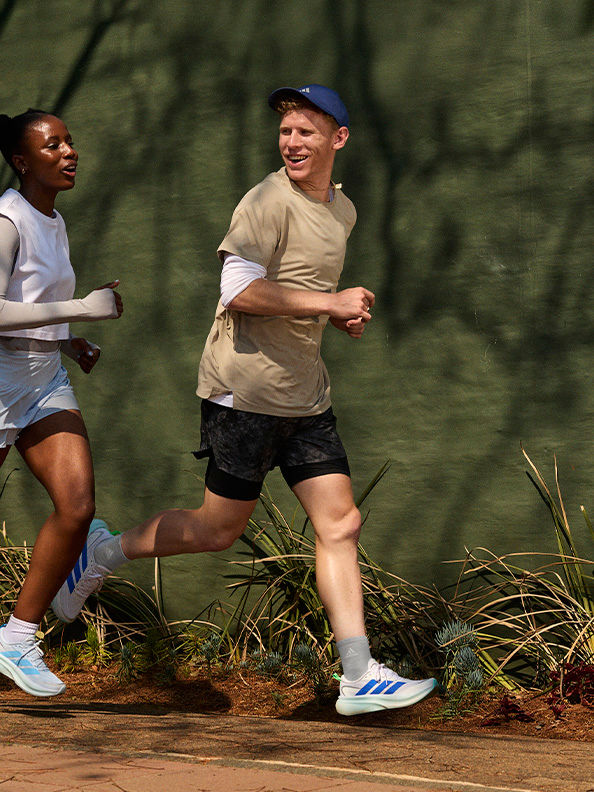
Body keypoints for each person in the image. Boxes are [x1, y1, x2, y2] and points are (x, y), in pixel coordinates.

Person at [53, 85, 437, 715]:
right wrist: (331, 304)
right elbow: (237, 290)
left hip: (305, 393)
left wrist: (337, 317)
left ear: (338, 139)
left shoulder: (343, 210)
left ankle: (358, 674)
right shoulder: (265, 201)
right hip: (245, 391)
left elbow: (303, 290)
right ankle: (100, 551)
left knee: (340, 522)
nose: (292, 142)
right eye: (286, 131)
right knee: (215, 531)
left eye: (306, 132)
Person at [0, 109, 123, 697]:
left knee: (77, 508)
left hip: (44, 378)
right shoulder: (8, 219)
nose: (70, 152)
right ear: (23, 161)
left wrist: (71, 344)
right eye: (54, 146)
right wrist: (81, 309)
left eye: (71, 141)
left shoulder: (55, 220)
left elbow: (35, 303)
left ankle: (17, 639)